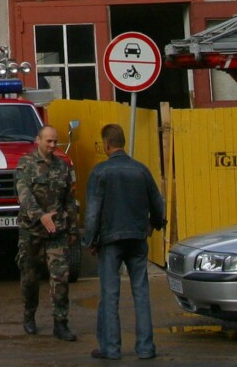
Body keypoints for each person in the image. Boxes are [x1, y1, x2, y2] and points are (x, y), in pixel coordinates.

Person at [83, 122, 166, 361]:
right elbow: (157, 204)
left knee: (110, 294)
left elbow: (92, 212)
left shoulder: (100, 172)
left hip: (110, 240)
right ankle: (146, 348)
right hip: (138, 238)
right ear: (123, 144)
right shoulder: (141, 170)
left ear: (107, 144)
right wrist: (155, 224)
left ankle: (110, 349)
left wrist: (90, 239)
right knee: (141, 292)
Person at [15, 123, 77, 341]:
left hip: (57, 232)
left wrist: (73, 229)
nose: (52, 145)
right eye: (48, 141)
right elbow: (23, 195)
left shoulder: (62, 167)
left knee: (61, 277)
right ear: (38, 141)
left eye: (55, 141)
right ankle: (29, 314)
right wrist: (40, 215)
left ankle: (61, 322)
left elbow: (69, 199)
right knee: (30, 278)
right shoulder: (26, 165)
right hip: (32, 231)